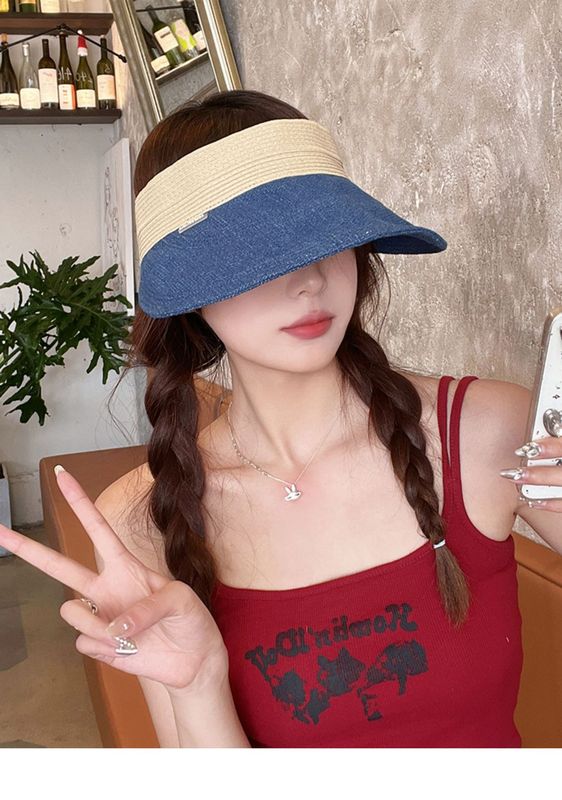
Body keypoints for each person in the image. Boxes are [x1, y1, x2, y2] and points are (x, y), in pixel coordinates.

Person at [1, 89, 561, 749]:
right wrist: (200, 685)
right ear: (190, 292)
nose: (309, 280)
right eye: (258, 254)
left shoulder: (485, 430)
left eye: (325, 236)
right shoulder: (141, 519)